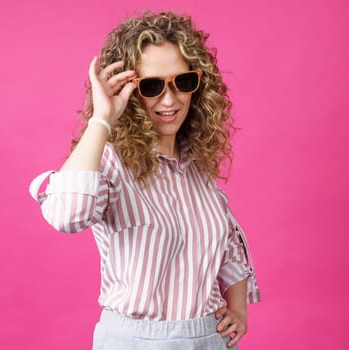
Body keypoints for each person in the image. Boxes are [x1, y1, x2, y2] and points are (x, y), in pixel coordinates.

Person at [29, 11, 260, 350]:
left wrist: (238, 309)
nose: (170, 100)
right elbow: (67, 214)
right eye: (152, 86)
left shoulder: (197, 166)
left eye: (183, 82)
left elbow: (226, 244)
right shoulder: (107, 161)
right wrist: (102, 118)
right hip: (136, 341)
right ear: (128, 89)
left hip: (211, 339)